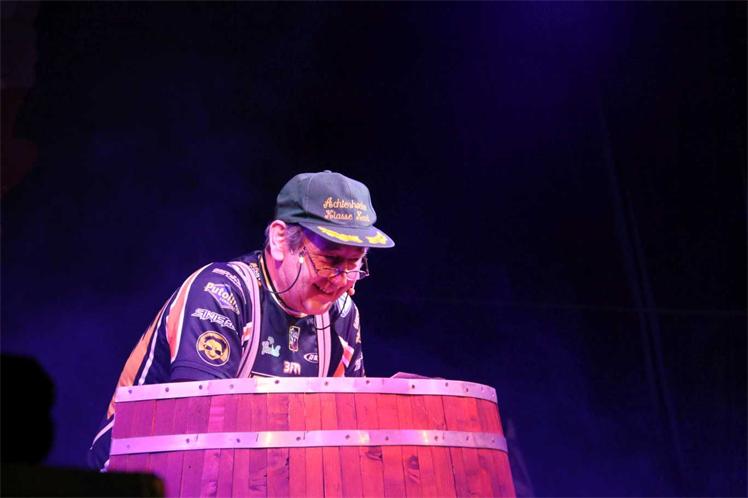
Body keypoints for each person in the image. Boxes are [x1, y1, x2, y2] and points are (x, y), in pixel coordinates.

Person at [86, 170, 394, 471]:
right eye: (331, 261)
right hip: (134, 478)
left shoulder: (343, 315)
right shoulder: (220, 292)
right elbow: (198, 425)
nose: (343, 280)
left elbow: (346, 429)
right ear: (280, 240)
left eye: (354, 263)